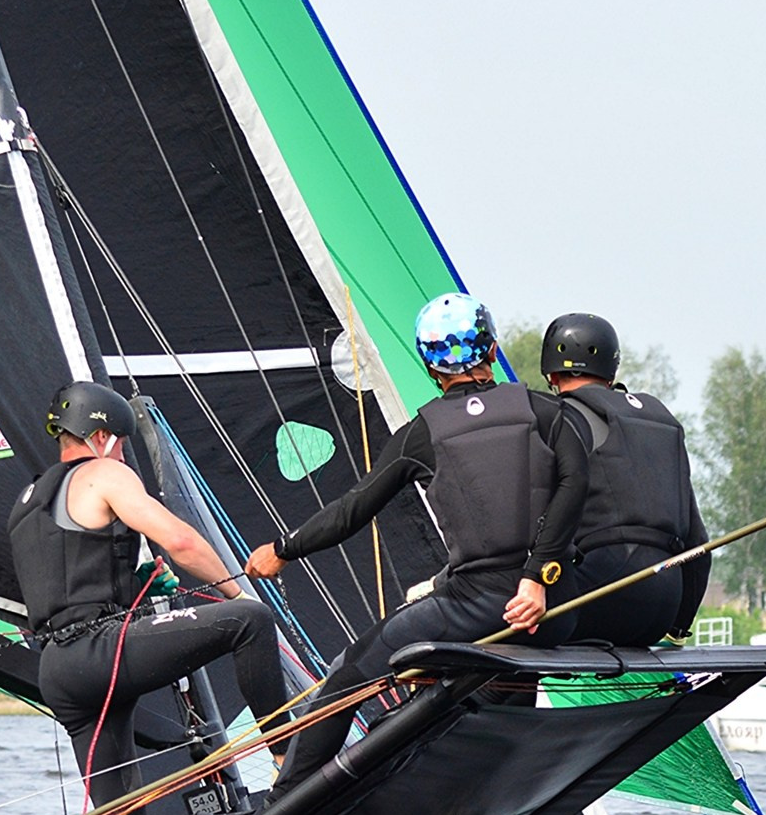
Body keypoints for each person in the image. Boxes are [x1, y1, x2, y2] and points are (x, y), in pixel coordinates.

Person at [246, 294, 587, 788]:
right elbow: (576, 487)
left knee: (346, 678)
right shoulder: (546, 411)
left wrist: (281, 549)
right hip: (558, 612)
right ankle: (479, 809)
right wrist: (539, 578)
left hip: (483, 607)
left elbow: (351, 511)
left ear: (431, 367)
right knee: (493, 690)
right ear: (492, 351)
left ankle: (278, 807)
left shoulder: (423, 432)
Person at [8, 381, 287, 815]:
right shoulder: (104, 473)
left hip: (59, 673)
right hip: (99, 651)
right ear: (101, 438)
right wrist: (237, 593)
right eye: (121, 448)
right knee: (250, 621)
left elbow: (67, 575)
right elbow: (181, 542)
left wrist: (138, 583)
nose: (121, 460)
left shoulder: (24, 504)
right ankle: (288, 759)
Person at [529, 312, 708, 648]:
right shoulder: (662, 421)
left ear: (551, 372)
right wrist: (680, 626)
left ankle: (499, 697)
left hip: (599, 599)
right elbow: (698, 542)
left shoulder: (555, 418)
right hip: (664, 607)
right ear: (611, 371)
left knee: (500, 607)